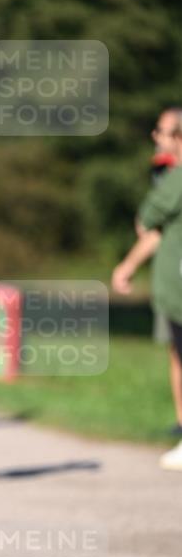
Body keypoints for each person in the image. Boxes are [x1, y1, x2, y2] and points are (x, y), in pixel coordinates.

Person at [112, 107, 182, 468]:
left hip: (177, 283)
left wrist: (126, 266)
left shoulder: (174, 176)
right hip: (172, 282)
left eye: (163, 131)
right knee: (176, 352)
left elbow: (148, 224)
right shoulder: (165, 172)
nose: (156, 137)